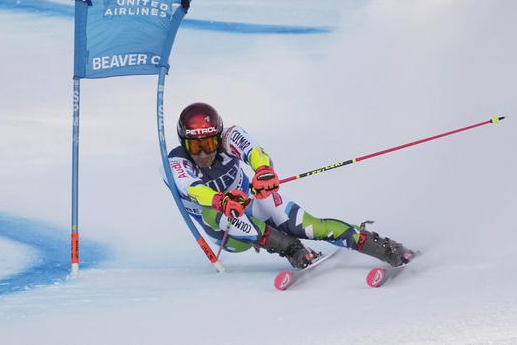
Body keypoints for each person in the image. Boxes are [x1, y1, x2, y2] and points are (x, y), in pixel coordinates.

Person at [166, 102, 416, 269]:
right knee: (218, 213)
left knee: (306, 226)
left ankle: (383, 247)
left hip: (250, 203)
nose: (201, 154)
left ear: (218, 137)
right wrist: (221, 200)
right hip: (226, 233)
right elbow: (192, 188)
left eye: (208, 145)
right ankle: (291, 249)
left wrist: (264, 171)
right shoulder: (174, 163)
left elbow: (254, 151)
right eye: (195, 147)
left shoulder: (229, 136)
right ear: (183, 143)